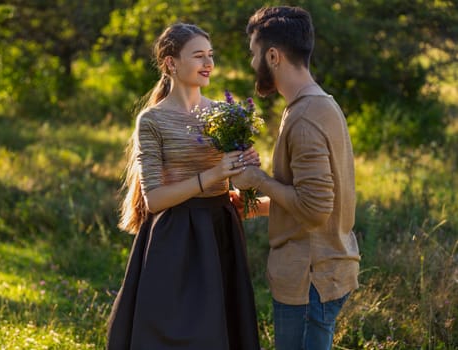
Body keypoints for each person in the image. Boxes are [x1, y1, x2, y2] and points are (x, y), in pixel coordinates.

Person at [106, 23, 261, 350]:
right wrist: (214, 174)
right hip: (174, 236)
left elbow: (242, 185)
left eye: (210, 55)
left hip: (221, 231)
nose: (209, 63)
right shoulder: (152, 120)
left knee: (222, 334)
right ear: (171, 63)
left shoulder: (228, 113)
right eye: (198, 56)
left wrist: (248, 166)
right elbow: (156, 200)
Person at [231, 6, 360, 350]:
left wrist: (257, 178)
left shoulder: (304, 117)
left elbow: (315, 208)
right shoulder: (318, 104)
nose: (251, 63)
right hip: (321, 271)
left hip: (310, 279)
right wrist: (255, 207)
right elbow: (306, 197)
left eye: (254, 54)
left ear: (272, 56)